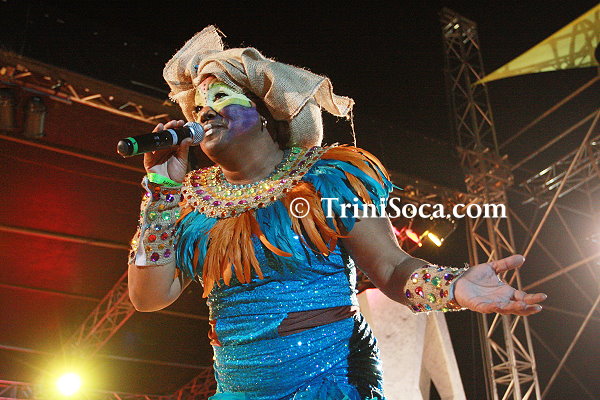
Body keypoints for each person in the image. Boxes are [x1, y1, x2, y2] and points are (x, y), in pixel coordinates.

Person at [127, 26, 547, 400]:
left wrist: (453, 287)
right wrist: (160, 192)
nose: (204, 111)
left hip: (331, 385)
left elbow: (391, 267)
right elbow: (148, 297)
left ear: (265, 113)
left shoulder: (326, 178)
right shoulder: (192, 201)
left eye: (221, 97)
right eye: (199, 105)